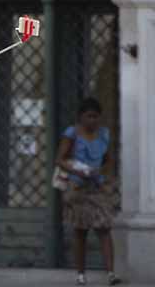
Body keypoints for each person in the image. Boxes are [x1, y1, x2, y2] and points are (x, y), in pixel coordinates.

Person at [56, 98, 121, 286]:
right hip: (77, 187)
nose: (92, 120)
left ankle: (111, 273)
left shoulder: (104, 134)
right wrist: (78, 171)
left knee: (104, 227)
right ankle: (81, 275)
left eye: (96, 117)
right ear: (80, 117)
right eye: (89, 116)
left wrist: (101, 171)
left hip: (97, 186)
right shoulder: (72, 133)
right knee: (80, 230)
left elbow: (108, 159)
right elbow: (60, 159)